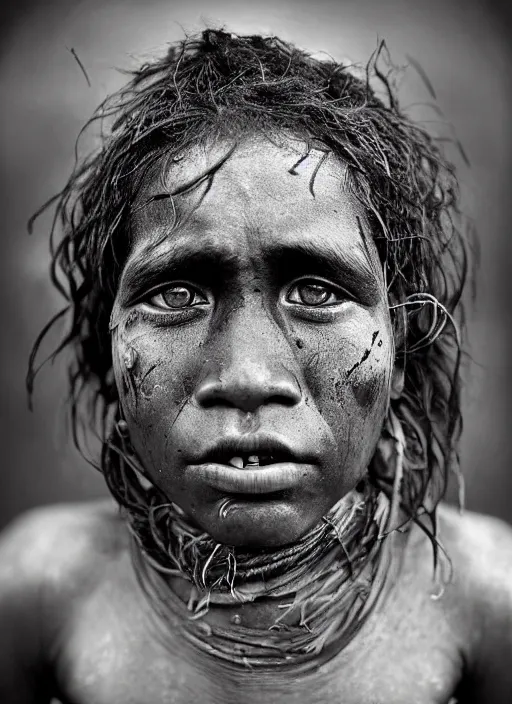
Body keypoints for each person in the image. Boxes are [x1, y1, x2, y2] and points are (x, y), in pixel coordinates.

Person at [0, 28, 511, 704]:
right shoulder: (41, 591)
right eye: (176, 294)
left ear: (401, 348)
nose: (246, 377)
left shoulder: (486, 599)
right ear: (109, 341)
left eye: (318, 292)